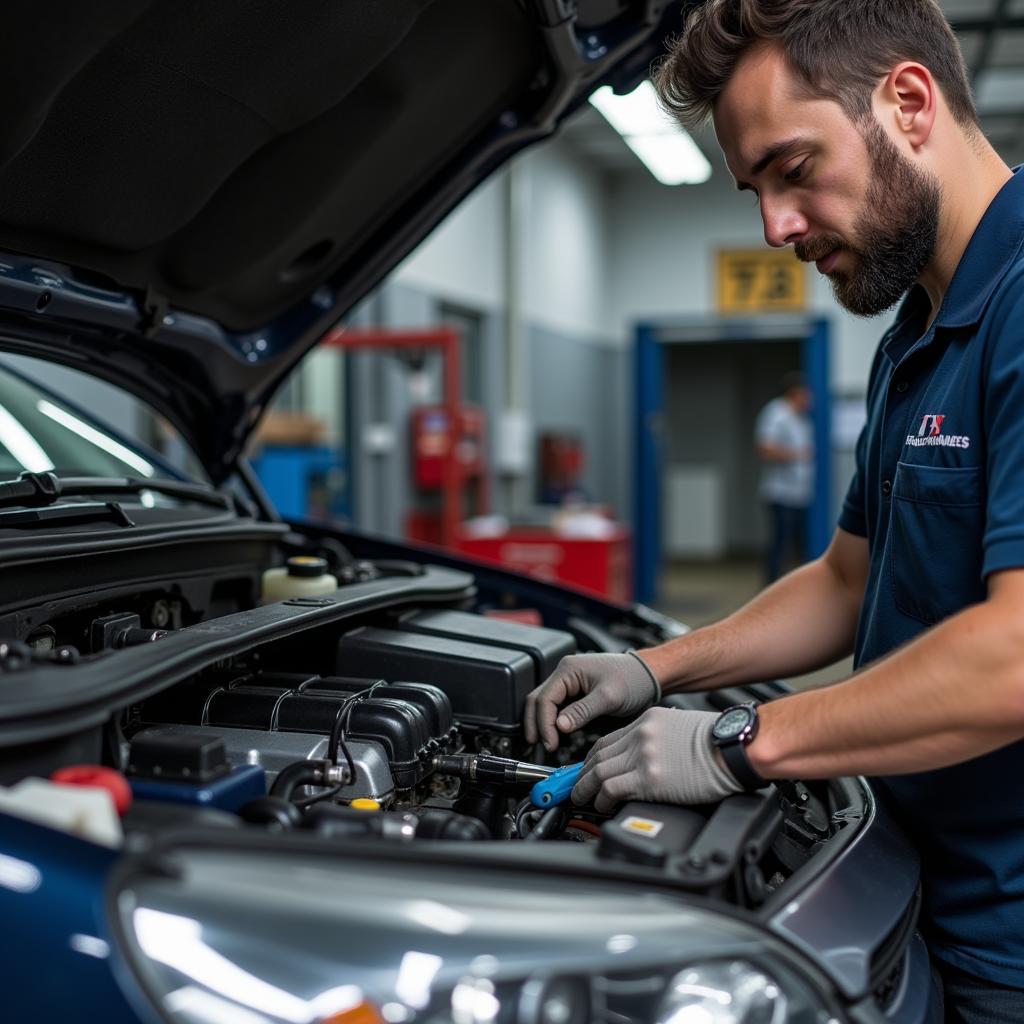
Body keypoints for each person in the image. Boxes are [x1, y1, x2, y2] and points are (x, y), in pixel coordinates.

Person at [523, 0, 1024, 1017]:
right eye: (754, 189)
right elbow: (847, 578)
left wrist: (735, 742)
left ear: (909, 102)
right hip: (905, 877)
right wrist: (654, 667)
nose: (775, 227)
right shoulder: (918, 333)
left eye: (793, 171)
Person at [755, 371, 814, 581]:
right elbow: (765, 449)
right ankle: (770, 587)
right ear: (794, 393)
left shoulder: (803, 418)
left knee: (800, 544)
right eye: (805, 394)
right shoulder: (776, 413)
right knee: (781, 544)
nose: (809, 399)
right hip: (781, 493)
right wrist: (797, 454)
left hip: (802, 493)